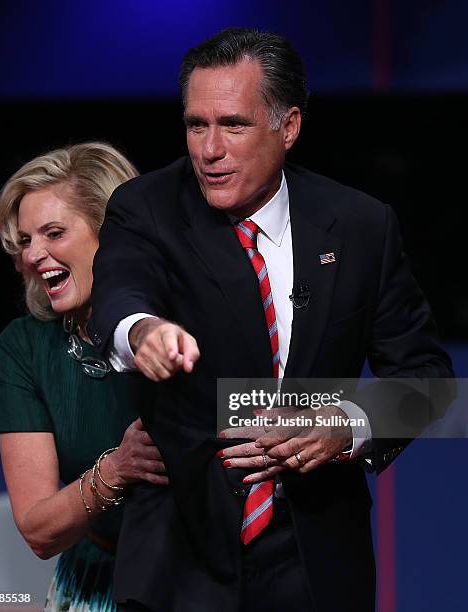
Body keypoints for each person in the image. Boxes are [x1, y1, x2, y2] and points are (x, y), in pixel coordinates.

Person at [89, 29, 454, 612]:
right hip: (181, 557)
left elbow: (428, 379)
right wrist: (141, 330)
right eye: (195, 125)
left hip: (316, 558)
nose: (209, 149)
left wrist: (350, 426)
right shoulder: (147, 207)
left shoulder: (360, 225)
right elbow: (120, 292)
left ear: (288, 127)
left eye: (232, 124)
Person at [0, 142, 168, 612]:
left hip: (200, 580)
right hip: (94, 585)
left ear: (111, 235)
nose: (34, 255)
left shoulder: (179, 324)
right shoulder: (24, 348)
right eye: (26, 240)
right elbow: (38, 530)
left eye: (53, 233)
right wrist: (117, 470)